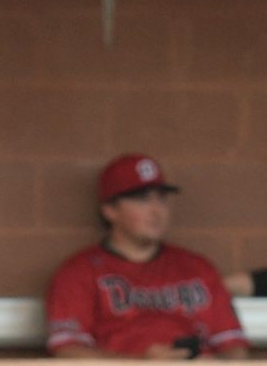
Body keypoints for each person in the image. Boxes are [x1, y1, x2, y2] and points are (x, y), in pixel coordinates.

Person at [44, 153, 249, 360]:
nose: (156, 210)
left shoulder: (198, 268)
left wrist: (217, 364)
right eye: (142, 199)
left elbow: (234, 347)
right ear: (110, 210)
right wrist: (142, 363)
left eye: (161, 198)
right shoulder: (78, 273)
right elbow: (68, 352)